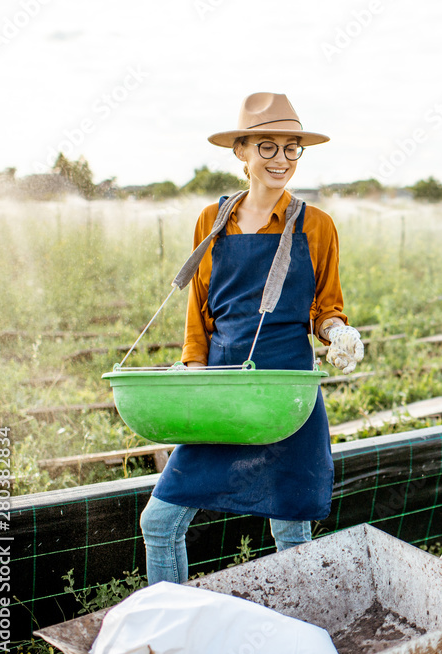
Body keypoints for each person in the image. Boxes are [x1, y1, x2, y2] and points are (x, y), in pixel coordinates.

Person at [140, 92, 365, 585]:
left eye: (291, 148)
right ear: (240, 152)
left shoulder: (317, 225)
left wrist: (337, 333)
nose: (281, 159)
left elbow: (326, 309)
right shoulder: (211, 220)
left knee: (290, 532)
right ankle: (173, 634)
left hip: (284, 392)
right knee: (158, 522)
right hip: (222, 392)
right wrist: (193, 371)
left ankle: (297, 643)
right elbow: (198, 308)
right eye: (267, 146)